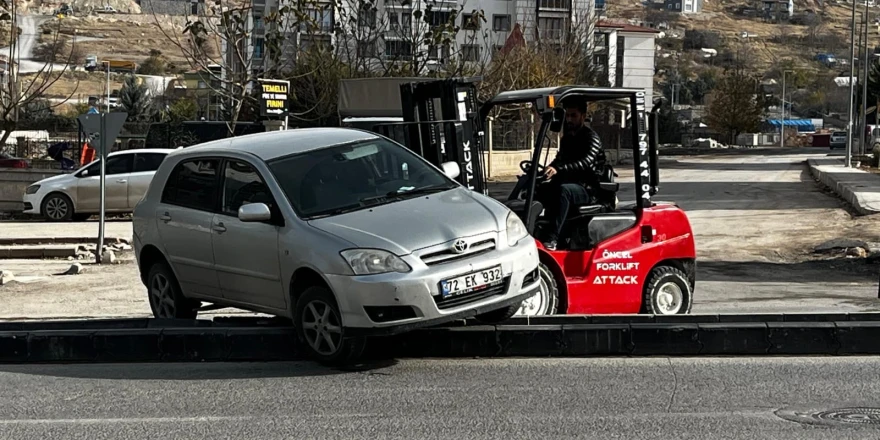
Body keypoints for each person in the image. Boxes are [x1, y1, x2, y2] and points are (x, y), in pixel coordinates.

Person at [538, 97, 606, 250]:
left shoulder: (591, 138)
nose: (569, 119)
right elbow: (560, 159)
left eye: (573, 115)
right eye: (567, 115)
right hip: (570, 183)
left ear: (583, 115)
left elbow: (585, 162)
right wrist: (550, 167)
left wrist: (559, 169)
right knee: (540, 188)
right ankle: (539, 230)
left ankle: (553, 238)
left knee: (564, 192)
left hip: (587, 188)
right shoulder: (567, 138)